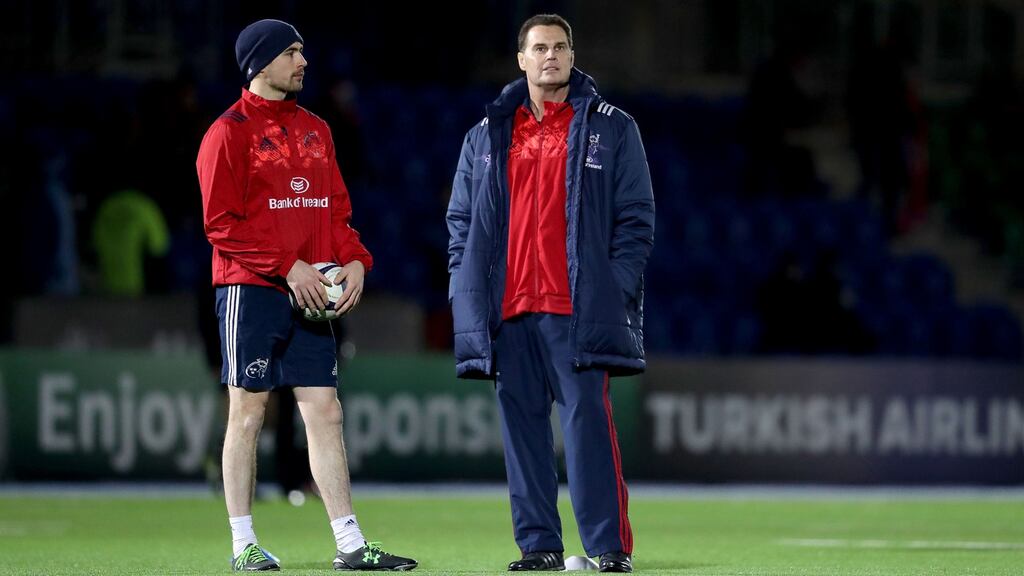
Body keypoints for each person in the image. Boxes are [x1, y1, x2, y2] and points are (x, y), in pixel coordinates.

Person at [196, 19, 416, 572]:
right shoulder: (228, 132)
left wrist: (357, 260)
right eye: (292, 52)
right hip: (251, 290)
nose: (303, 61)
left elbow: (335, 212)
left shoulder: (317, 129)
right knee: (247, 412)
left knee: (326, 412)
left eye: (302, 51)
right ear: (260, 62)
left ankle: (349, 543)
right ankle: (242, 542)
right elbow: (220, 224)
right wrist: (286, 265)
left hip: (312, 290)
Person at [446, 14, 654, 574]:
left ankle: (608, 547)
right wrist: (463, 285)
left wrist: (613, 285)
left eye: (560, 47)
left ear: (571, 54)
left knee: (589, 424)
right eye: (539, 48)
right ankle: (537, 546)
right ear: (521, 59)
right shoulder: (486, 134)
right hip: (508, 309)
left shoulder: (612, 127)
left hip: (575, 308)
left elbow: (636, 218)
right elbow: (461, 223)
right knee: (522, 432)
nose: (550, 56)